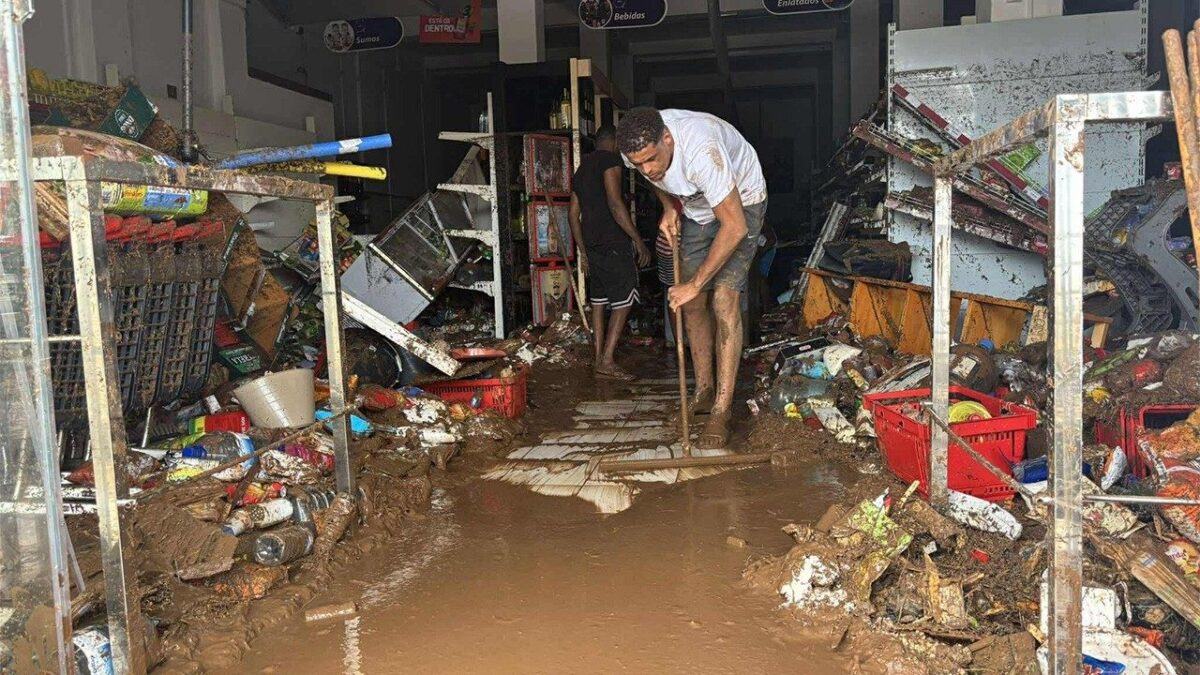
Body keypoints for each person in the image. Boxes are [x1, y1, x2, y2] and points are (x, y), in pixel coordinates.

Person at [616, 107, 767, 449]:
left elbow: (735, 226)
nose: (647, 169)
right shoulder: (636, 150)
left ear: (667, 138)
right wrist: (669, 206)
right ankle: (703, 391)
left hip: (742, 203)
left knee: (723, 297)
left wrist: (696, 281)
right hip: (696, 209)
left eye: (652, 159)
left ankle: (721, 410)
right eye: (638, 164)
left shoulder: (702, 150)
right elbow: (652, 177)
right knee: (693, 302)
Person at [568, 124, 652, 380]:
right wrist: (637, 239)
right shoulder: (611, 160)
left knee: (599, 303)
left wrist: (582, 252)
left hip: (592, 244)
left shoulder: (581, 170)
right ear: (615, 141)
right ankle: (606, 359)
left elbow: (573, 215)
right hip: (613, 242)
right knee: (624, 301)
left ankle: (598, 359)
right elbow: (616, 203)